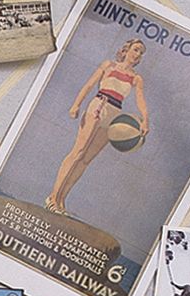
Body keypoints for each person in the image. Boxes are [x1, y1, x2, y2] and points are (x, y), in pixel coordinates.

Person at [47, 36, 148, 215]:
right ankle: (52, 197)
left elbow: (140, 98)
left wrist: (145, 119)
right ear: (126, 49)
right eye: (135, 49)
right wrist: (76, 105)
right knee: (78, 152)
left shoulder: (136, 78)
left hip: (115, 114)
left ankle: (61, 200)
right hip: (98, 105)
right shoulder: (108, 65)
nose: (137, 53)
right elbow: (89, 85)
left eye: (140, 52)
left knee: (86, 159)